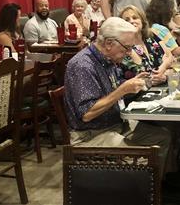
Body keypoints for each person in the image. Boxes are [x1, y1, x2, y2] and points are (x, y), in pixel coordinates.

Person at [63, 17, 171, 176]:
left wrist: (136, 83)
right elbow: (87, 113)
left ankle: (155, 187)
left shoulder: (108, 59)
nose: (129, 53)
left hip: (116, 125)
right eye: (127, 48)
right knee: (144, 159)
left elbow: (115, 87)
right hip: (90, 136)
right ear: (108, 43)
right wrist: (122, 90)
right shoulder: (82, 65)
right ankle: (140, 187)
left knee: (163, 137)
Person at [119, 5, 174, 84]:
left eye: (135, 18)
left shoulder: (152, 36)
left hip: (162, 87)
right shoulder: (124, 47)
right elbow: (142, 74)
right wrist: (164, 67)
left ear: (142, 20)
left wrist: (164, 74)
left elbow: (170, 58)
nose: (132, 21)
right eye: (127, 20)